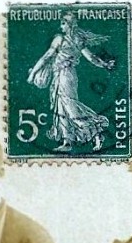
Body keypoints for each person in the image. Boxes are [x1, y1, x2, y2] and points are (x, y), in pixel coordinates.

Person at [27, 11, 116, 152]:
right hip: (65, 75)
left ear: (69, 25)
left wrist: (32, 74)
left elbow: (46, 57)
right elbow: (92, 58)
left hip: (64, 75)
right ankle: (67, 142)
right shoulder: (77, 40)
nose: (61, 26)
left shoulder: (59, 39)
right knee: (60, 107)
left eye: (63, 23)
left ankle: (96, 133)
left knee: (69, 107)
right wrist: (104, 64)